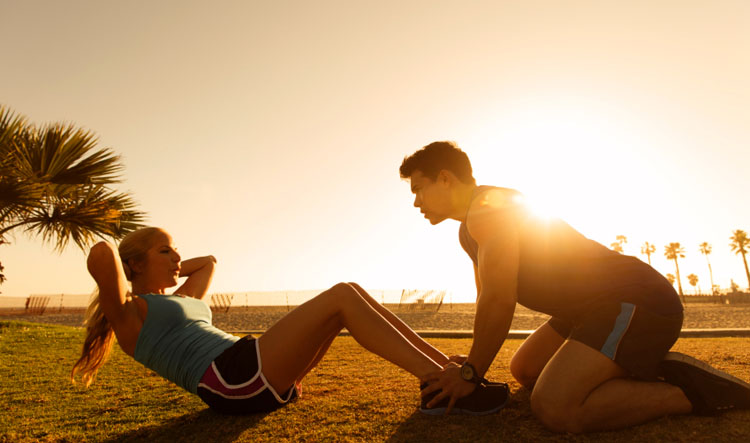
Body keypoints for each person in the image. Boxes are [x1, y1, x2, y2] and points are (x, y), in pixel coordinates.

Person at [400, 141, 750, 433]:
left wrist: (471, 373)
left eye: (418, 188)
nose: (416, 202)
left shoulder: (491, 208)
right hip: (587, 309)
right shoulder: (467, 231)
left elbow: (499, 300)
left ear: (444, 178)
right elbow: (486, 296)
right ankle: (642, 367)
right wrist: (474, 359)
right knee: (525, 369)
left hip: (637, 299)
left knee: (556, 408)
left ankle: (691, 392)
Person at [71, 226, 508, 415]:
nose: (177, 257)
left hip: (247, 368)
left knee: (349, 294)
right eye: (165, 250)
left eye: (175, 249)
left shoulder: (179, 298)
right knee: (341, 295)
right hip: (233, 379)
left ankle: (446, 374)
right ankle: (446, 386)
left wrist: (172, 264)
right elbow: (102, 253)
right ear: (136, 261)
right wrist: (130, 275)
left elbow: (209, 264)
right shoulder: (130, 316)